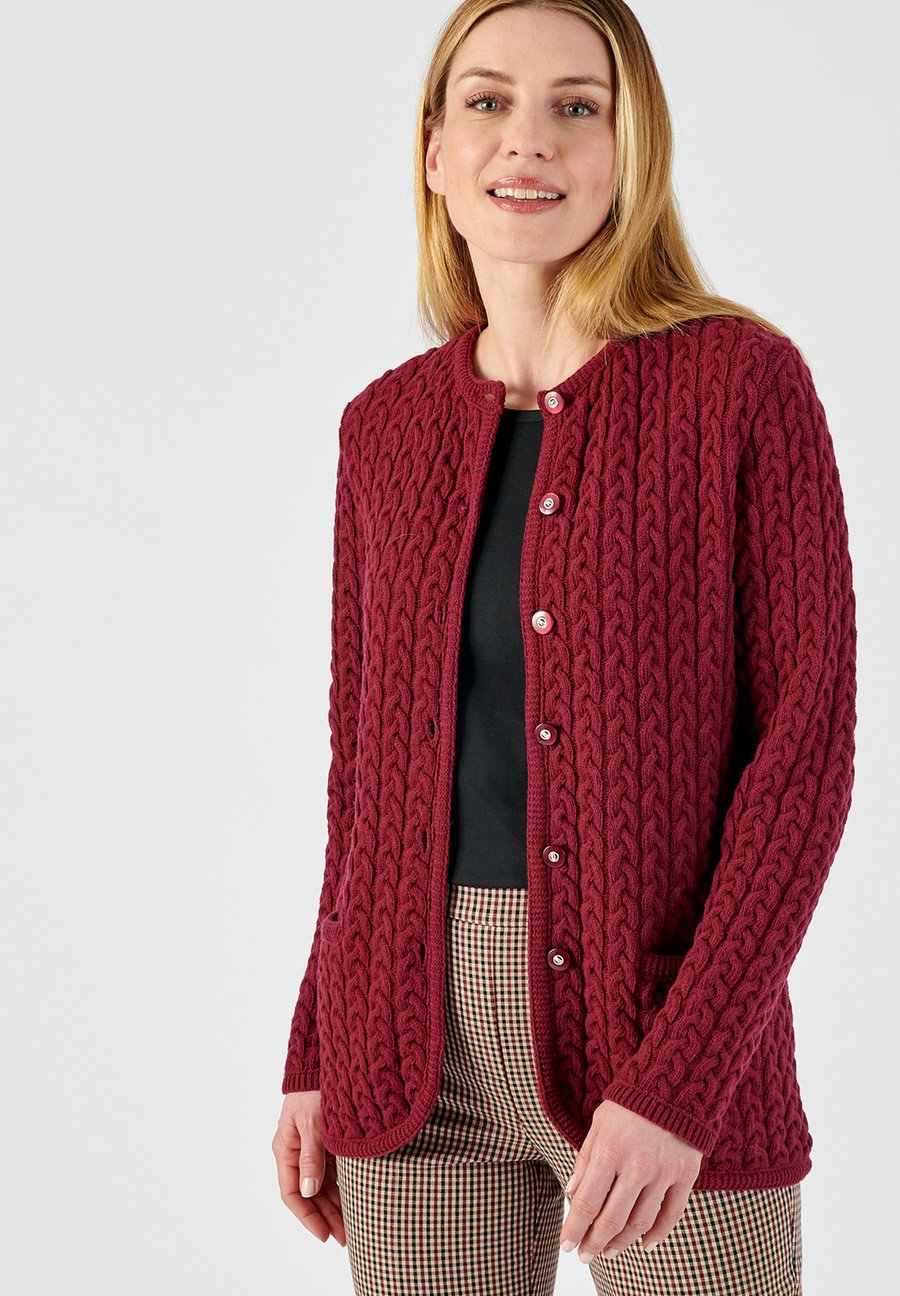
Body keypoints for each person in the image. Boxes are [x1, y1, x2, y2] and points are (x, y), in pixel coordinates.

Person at [272, 1, 856, 1292]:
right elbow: (365, 781)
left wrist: (685, 1078)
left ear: (628, 146)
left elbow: (804, 760)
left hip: (665, 1033)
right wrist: (318, 1040)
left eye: (574, 106)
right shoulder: (385, 432)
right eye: (486, 101)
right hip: (409, 1050)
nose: (525, 140)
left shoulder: (742, 388)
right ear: (434, 152)